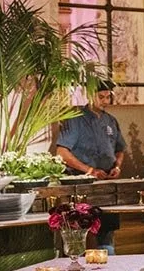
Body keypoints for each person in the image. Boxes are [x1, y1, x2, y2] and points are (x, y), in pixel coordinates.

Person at [53, 82, 124, 247]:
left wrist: (117, 166)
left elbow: (120, 149)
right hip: (82, 182)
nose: (105, 101)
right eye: (101, 97)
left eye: (108, 97)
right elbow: (62, 153)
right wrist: (89, 170)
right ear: (90, 95)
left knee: (107, 226)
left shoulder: (111, 120)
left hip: (106, 181)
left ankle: (108, 259)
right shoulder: (75, 118)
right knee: (83, 228)